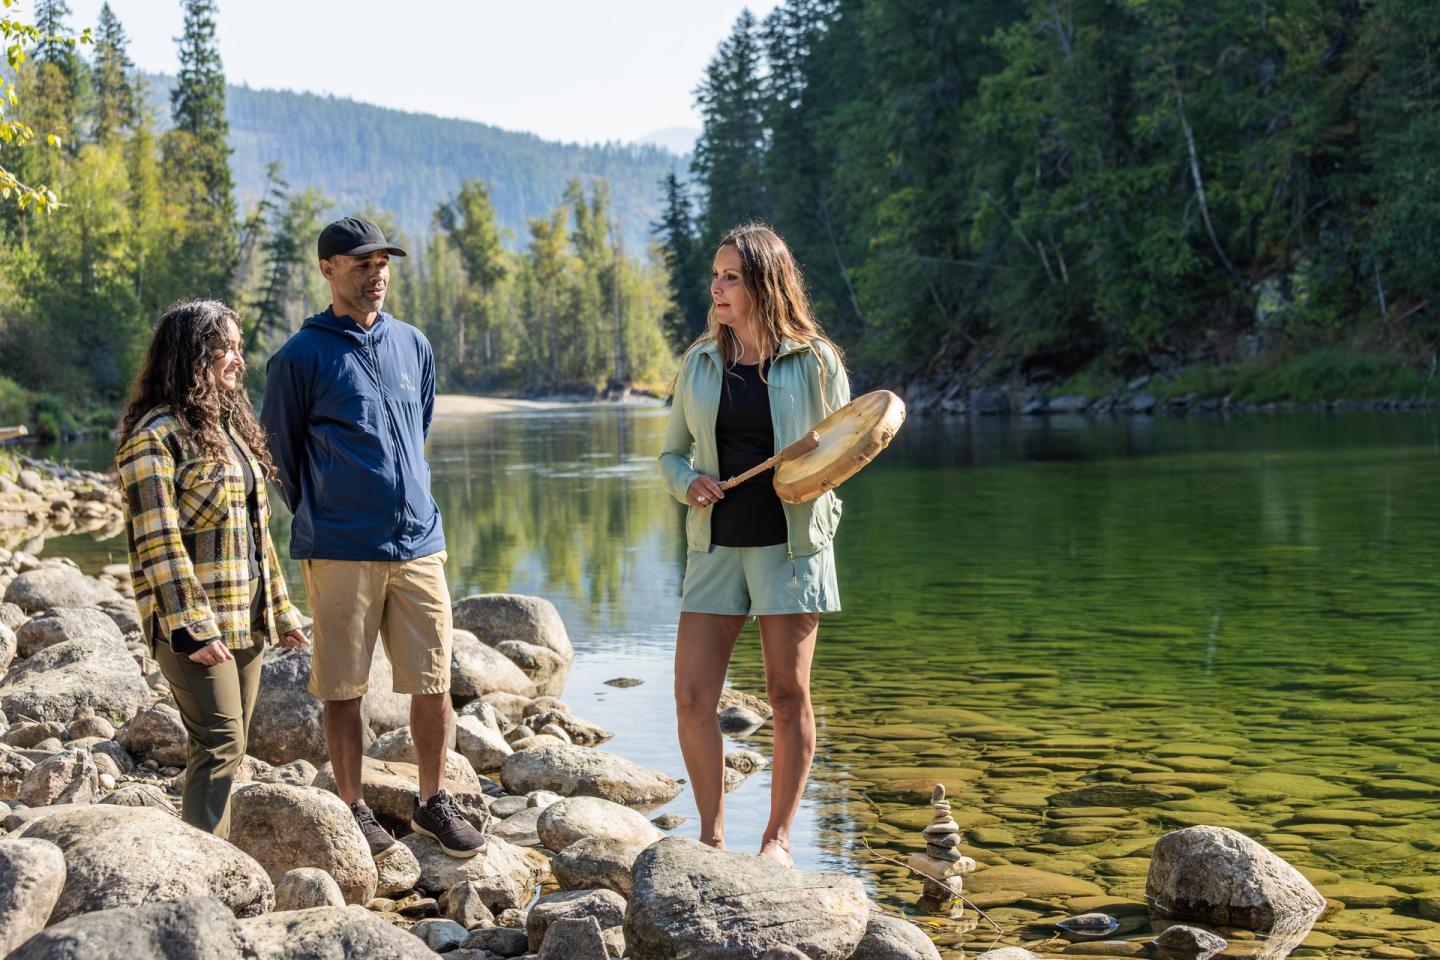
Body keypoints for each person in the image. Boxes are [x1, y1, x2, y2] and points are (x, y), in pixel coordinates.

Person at [260, 217, 483, 861]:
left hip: (418, 542)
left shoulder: (414, 344)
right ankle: (354, 806)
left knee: (433, 679)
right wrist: (327, 515)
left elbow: (419, 432)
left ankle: (433, 802)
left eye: (382, 262)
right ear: (329, 270)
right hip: (339, 548)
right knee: (343, 687)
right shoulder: (299, 358)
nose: (376, 273)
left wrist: (404, 498)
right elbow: (281, 458)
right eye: (361, 264)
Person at [659, 222, 850, 867]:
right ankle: (711, 838)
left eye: (730, 277)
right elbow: (670, 453)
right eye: (715, 275)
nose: (715, 287)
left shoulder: (816, 361)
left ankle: (778, 839)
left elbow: (849, 449)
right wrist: (689, 483)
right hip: (714, 546)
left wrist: (812, 479)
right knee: (691, 697)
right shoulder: (700, 361)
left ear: (765, 284)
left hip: (790, 547)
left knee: (787, 694)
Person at [116, 299, 309, 838]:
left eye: (238, 348)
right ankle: (203, 868)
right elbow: (158, 542)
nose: (235, 360)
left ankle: (213, 858)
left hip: (244, 616)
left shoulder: (230, 431)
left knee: (232, 742)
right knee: (220, 741)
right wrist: (189, 626)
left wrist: (282, 610)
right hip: (191, 624)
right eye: (221, 348)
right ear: (189, 356)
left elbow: (254, 533)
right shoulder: (154, 438)